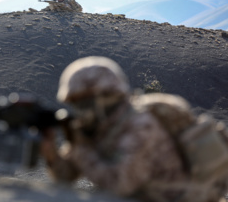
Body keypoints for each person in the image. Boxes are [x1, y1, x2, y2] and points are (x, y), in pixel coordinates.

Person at [40, 56, 228, 202]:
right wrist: (51, 155)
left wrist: (81, 148)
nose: (80, 112)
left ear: (107, 98)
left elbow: (119, 186)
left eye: (84, 104)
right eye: (76, 105)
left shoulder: (141, 126)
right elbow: (66, 177)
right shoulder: (101, 127)